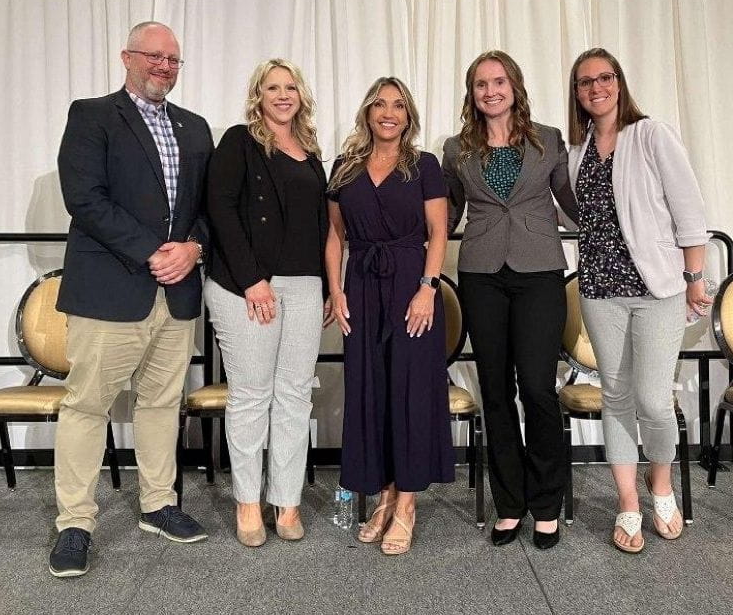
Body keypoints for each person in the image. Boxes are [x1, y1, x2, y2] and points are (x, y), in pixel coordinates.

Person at [51, 21, 213, 578]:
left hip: (177, 294)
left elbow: (209, 210)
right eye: (154, 56)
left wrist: (192, 248)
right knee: (87, 405)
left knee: (163, 403)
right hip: (110, 290)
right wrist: (153, 252)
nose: (164, 66)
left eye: (173, 59)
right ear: (127, 57)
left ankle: (158, 504)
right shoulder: (92, 115)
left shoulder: (195, 129)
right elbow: (85, 199)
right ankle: (75, 522)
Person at [566, 47, 710, 554]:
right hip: (600, 291)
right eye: (585, 82)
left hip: (656, 289)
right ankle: (628, 501)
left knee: (653, 398)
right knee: (616, 396)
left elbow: (689, 211)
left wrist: (695, 277)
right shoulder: (577, 150)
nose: (596, 88)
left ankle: (662, 487)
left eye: (605, 78)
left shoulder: (651, 134)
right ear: (577, 92)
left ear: (620, 83)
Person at [442, 50, 577, 550]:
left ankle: (546, 503)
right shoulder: (456, 149)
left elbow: (570, 202)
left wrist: (624, 217)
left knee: (538, 389)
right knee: (495, 391)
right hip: (481, 275)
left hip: (539, 272)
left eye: (499, 81)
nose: (491, 91)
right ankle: (510, 502)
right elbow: (447, 214)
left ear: (515, 86)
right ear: (471, 93)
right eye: (481, 84)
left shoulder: (549, 140)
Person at [204, 59, 330, 547]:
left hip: (303, 286)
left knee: (295, 396)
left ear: (301, 94)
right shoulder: (239, 141)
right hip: (245, 287)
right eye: (272, 87)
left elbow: (320, 225)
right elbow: (221, 209)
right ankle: (248, 503)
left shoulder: (311, 151)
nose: (283, 95)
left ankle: (288, 501)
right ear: (258, 95)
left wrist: (323, 284)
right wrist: (254, 280)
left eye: (290, 86)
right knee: (252, 396)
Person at [325, 77, 453, 556]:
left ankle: (406, 502)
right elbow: (335, 236)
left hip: (409, 284)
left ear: (408, 115)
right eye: (380, 104)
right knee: (371, 389)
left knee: (410, 390)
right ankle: (382, 494)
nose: (389, 113)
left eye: (398, 105)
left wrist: (427, 288)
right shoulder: (344, 167)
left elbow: (438, 233)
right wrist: (336, 289)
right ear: (367, 112)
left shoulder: (425, 165)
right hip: (360, 284)